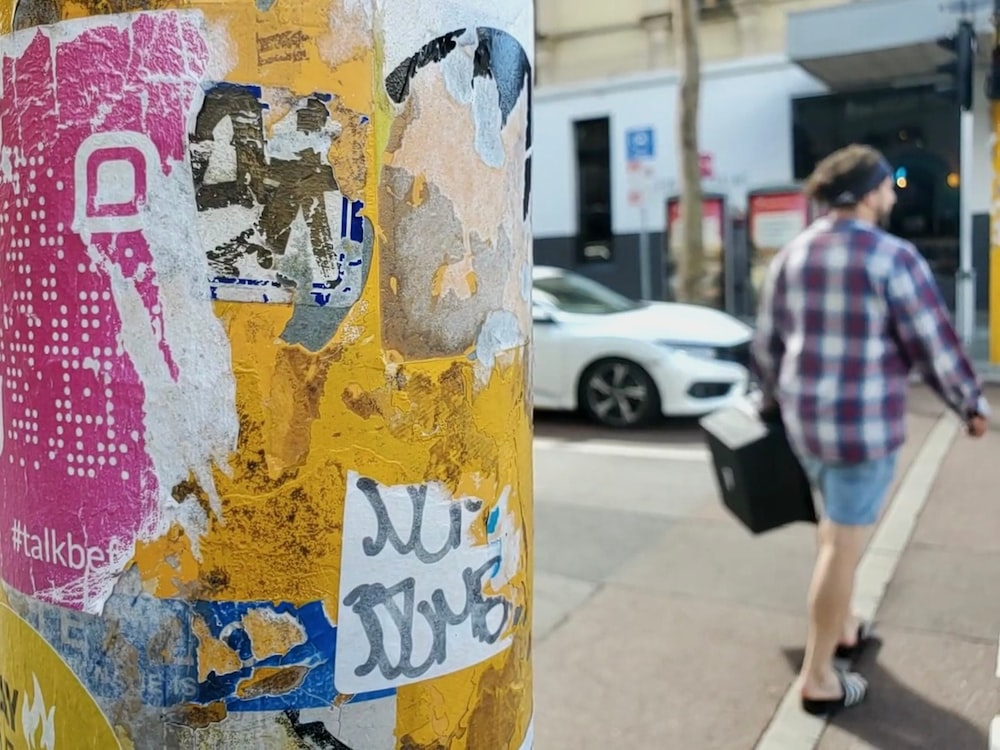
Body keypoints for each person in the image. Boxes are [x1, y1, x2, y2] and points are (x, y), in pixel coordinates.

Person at [750, 143, 989, 716]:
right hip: (862, 428)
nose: (891, 194)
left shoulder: (795, 254)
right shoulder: (892, 257)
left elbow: (767, 344)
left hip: (806, 424)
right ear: (866, 193)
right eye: (887, 185)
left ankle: (847, 624)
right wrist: (969, 404)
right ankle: (818, 677)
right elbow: (931, 342)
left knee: (834, 535)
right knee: (841, 544)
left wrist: (769, 400)